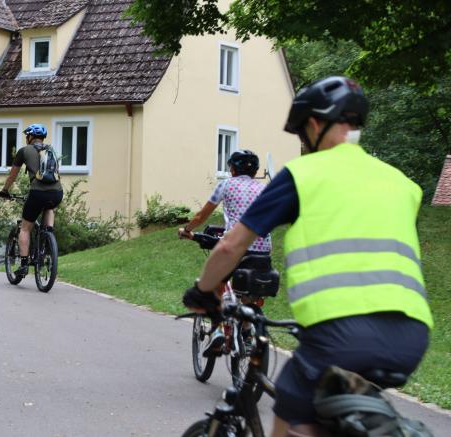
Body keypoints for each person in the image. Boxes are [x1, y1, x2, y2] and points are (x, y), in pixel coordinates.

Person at [181, 76, 433, 437]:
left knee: (290, 397)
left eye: (302, 135)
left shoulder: (303, 174)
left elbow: (229, 245)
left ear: (315, 124)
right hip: (411, 335)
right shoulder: (402, 183)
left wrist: (203, 292)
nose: (303, 144)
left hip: (341, 334)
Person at [0, 123, 63, 278]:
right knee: (49, 207)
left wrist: (5, 190)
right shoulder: (51, 150)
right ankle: (48, 238)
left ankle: (24, 264)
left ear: (30, 136)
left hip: (37, 192)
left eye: (27, 135)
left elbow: (12, 176)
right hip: (57, 193)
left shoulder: (24, 151)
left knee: (25, 228)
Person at [178, 150, 272, 256]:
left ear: (233, 169)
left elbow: (200, 217)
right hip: (264, 250)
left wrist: (187, 230)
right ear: (255, 171)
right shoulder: (265, 189)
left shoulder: (226, 184)